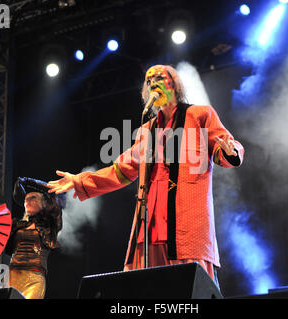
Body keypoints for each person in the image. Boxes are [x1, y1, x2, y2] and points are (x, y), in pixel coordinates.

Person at [47, 64, 244, 288]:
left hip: (186, 225)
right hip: (150, 227)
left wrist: (230, 151)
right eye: (148, 80)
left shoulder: (200, 115)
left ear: (175, 84)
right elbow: (120, 170)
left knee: (192, 289)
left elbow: (225, 148)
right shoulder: (146, 129)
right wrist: (79, 180)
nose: (153, 83)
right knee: (148, 290)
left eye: (159, 77)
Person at [4, 177, 66, 299]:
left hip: (34, 276)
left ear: (44, 204)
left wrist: (30, 182)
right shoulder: (17, 225)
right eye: (26, 199)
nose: (27, 201)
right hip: (13, 275)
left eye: (33, 198)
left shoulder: (49, 226)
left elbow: (55, 193)